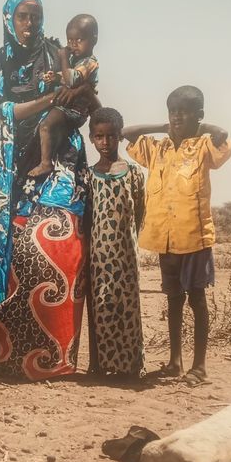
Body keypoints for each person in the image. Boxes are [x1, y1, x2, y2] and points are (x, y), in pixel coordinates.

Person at [0, 0, 96, 380]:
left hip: (61, 164)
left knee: (61, 250)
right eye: (23, 16)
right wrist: (48, 100)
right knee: (12, 253)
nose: (30, 23)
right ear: (9, 18)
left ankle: (56, 357)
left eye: (36, 16)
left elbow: (86, 100)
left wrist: (71, 96)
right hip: (13, 170)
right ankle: (3, 358)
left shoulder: (57, 53)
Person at [123, 86, 231, 386]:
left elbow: (222, 135)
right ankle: (175, 361)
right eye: (173, 111)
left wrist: (199, 128)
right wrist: (164, 127)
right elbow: (126, 132)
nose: (177, 116)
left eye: (184, 111)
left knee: (196, 299)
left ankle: (199, 366)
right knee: (173, 299)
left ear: (199, 114)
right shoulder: (158, 149)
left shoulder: (203, 148)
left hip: (194, 237)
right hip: (165, 238)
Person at [85, 107, 145, 379]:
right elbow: (87, 216)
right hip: (98, 255)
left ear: (120, 137)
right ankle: (99, 364)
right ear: (91, 138)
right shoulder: (89, 176)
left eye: (110, 136)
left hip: (126, 254)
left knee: (127, 307)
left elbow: (140, 211)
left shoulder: (133, 172)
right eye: (99, 136)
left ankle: (131, 366)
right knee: (100, 307)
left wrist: (128, 237)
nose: (105, 142)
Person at [28, 14, 99, 177]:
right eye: (69, 41)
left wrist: (63, 58)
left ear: (93, 40)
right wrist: (54, 77)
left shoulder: (90, 62)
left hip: (75, 110)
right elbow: (66, 77)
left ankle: (46, 163)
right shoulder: (78, 60)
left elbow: (72, 80)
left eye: (79, 40)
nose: (73, 45)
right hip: (69, 108)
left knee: (45, 126)